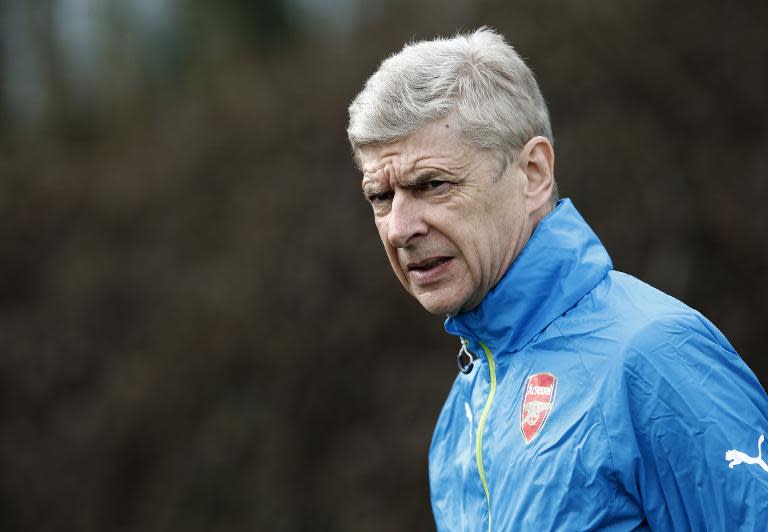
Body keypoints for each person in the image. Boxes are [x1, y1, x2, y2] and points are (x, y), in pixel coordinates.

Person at [347, 28, 768, 531]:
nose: (399, 228)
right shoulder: (463, 412)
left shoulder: (655, 356)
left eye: (432, 185)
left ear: (533, 173)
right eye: (380, 197)